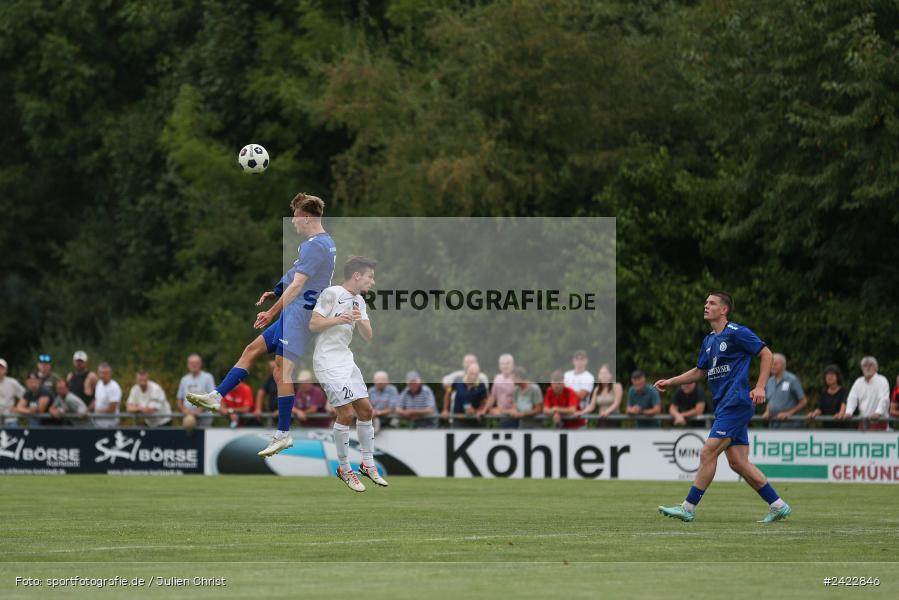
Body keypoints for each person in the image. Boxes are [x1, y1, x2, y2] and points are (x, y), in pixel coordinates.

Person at [185, 193, 337, 457]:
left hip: (299, 316)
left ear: (306, 217)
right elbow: (295, 277)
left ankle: (283, 434)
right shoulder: (321, 243)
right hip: (292, 313)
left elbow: (300, 284)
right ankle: (216, 396)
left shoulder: (315, 245)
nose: (292, 223)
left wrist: (271, 311)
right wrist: (276, 291)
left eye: (295, 218)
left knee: (281, 373)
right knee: (252, 349)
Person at [655, 291, 790, 524]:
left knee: (708, 452)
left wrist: (760, 387)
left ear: (724, 310)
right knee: (738, 462)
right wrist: (671, 381)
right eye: (706, 302)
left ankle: (688, 507)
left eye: (712, 303)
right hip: (724, 405)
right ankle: (778, 505)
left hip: (736, 402)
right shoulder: (709, 340)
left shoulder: (738, 333)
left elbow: (766, 354)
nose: (706, 306)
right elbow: (700, 371)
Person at [310, 256, 388, 491]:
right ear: (357, 276)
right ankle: (344, 468)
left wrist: (358, 319)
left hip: (345, 359)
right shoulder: (331, 293)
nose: (372, 282)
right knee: (345, 413)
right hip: (327, 360)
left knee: (366, 410)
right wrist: (337, 319)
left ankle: (367, 464)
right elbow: (313, 324)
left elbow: (368, 335)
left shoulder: (359, 301)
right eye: (369, 277)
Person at [841, 356, 890, 431]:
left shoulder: (882, 380)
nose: (867, 368)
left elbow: (884, 399)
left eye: (870, 365)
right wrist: (849, 412)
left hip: (879, 421)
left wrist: (878, 412)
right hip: (863, 421)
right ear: (862, 369)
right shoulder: (858, 382)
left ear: (876, 368)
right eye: (865, 366)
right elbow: (852, 398)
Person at [762, 353, 807, 428]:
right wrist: (767, 411)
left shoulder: (792, 380)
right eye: (771, 364)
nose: (772, 366)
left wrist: (788, 413)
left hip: (790, 425)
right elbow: (770, 400)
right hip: (773, 424)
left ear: (783, 365)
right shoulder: (769, 381)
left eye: (775, 364)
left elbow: (803, 401)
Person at [177, 354, 216, 427]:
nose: (194, 365)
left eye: (196, 363)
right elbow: (179, 400)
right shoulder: (184, 380)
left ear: (200, 364)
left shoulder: (208, 377)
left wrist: (199, 411)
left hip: (204, 417)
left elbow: (212, 397)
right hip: (188, 417)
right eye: (191, 363)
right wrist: (184, 410)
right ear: (188, 365)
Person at [443, 362, 488, 427]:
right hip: (457, 420)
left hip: (474, 421)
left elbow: (485, 401)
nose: (474, 376)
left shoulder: (481, 385)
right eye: (472, 373)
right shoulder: (457, 380)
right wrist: (445, 409)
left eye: (476, 374)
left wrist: (478, 410)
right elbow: (448, 393)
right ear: (467, 372)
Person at [808, 364, 847, 429]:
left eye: (832, 375)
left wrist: (841, 413)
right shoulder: (823, 393)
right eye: (827, 375)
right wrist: (813, 414)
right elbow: (820, 408)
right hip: (827, 429)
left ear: (837, 377)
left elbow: (844, 405)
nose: (829, 377)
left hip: (842, 428)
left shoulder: (844, 391)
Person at [478, 354, 516, 419]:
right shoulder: (497, 378)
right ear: (499, 366)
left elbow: (519, 404)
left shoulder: (517, 379)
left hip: (514, 416)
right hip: (500, 416)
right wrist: (484, 410)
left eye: (508, 363)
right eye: (503, 364)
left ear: (513, 365)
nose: (505, 366)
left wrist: (502, 411)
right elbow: (493, 396)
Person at [91, 362, 122, 429]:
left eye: (105, 373)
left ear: (110, 373)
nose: (103, 375)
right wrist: (88, 409)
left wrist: (96, 412)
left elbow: (112, 409)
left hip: (111, 426)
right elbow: (96, 400)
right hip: (97, 425)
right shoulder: (99, 384)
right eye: (101, 373)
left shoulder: (114, 387)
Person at [0, 358, 25, 427]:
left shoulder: (12, 382)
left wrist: (18, 407)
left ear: (6, 370)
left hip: (10, 419)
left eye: (2, 368)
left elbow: (25, 396)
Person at [253, 360, 279, 426]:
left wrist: (282, 409)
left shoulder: (287, 379)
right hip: (272, 414)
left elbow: (292, 397)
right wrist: (258, 408)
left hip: (287, 414)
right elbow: (261, 392)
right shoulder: (270, 379)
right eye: (271, 368)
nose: (273, 370)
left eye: (274, 367)